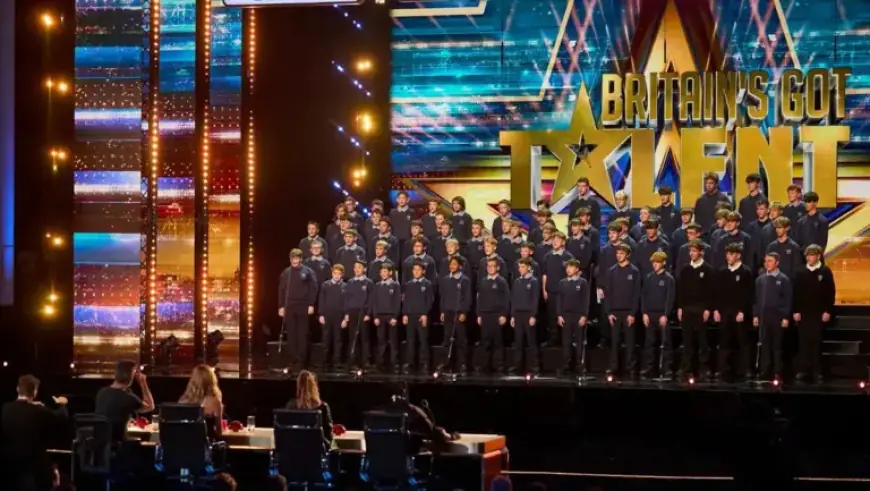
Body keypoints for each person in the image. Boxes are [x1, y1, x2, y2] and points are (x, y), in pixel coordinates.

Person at [2, 375, 68, 491]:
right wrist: (61, 403)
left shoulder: (4, 409)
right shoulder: (40, 411)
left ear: (18, 389)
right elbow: (62, 417)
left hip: (8, 470)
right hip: (34, 472)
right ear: (35, 392)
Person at [793, 245, 836, 383]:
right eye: (807, 255)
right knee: (803, 342)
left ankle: (818, 372)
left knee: (816, 342)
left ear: (818, 256)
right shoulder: (800, 272)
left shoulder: (825, 271)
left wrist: (828, 311)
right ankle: (803, 370)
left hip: (818, 313)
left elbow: (830, 293)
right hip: (804, 314)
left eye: (812, 255)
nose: (809, 258)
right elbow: (795, 293)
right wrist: (796, 310)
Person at [713, 243, 754, 382]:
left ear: (738, 255)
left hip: (739, 313)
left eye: (731, 254)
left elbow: (748, 294)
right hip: (724, 312)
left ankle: (745, 369)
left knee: (743, 341)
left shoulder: (745, 272)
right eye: (727, 254)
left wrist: (742, 311)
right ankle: (723, 369)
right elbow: (718, 292)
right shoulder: (722, 271)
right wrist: (717, 309)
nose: (728, 257)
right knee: (724, 340)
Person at [677, 240, 714, 381]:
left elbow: (710, 291)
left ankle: (704, 367)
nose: (691, 253)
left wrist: (708, 309)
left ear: (701, 252)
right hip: (687, 308)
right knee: (687, 340)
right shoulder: (685, 270)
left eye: (694, 251)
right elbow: (681, 290)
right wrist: (680, 307)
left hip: (701, 309)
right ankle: (687, 367)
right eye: (690, 251)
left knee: (702, 339)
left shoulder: (708, 270)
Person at [753, 252, 793, 381]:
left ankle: (777, 372)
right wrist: (755, 315)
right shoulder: (760, 280)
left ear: (777, 263)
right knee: (764, 345)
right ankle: (765, 370)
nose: (767, 263)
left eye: (770, 261)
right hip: (764, 318)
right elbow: (756, 299)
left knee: (777, 346)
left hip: (778, 317)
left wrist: (786, 317)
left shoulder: (784, 279)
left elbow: (788, 299)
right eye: (766, 261)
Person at [604, 243, 641, 379]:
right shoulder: (611, 271)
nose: (619, 255)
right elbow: (608, 293)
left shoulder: (634, 272)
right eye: (617, 253)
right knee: (615, 341)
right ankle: (614, 367)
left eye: (621, 253)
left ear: (628, 255)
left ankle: (631, 367)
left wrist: (632, 313)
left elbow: (636, 294)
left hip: (628, 313)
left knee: (630, 342)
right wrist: (609, 312)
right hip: (615, 312)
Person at [95, 360, 155, 442]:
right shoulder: (128, 398)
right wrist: (143, 382)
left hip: (100, 442)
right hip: (119, 443)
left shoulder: (102, 392)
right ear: (131, 376)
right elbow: (150, 407)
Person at [278, 249, 318, 370]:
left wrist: (311, 304)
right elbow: (281, 290)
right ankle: (293, 359)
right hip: (290, 306)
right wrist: (281, 306)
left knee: (302, 334)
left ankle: (301, 360)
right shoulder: (286, 273)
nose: (294, 260)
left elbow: (314, 288)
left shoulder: (308, 272)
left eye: (296, 258)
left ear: (301, 259)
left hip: (303, 306)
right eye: (292, 258)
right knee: (291, 334)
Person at [640, 252, 675, 379]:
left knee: (666, 343)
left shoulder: (668, 279)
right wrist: (644, 313)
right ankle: (649, 367)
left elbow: (670, 298)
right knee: (650, 343)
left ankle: (667, 369)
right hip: (650, 315)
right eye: (653, 262)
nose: (655, 264)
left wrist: (666, 314)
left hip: (662, 315)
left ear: (663, 263)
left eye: (657, 262)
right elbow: (643, 296)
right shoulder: (649, 278)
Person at [477, 257, 510, 374]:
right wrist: (479, 314)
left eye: (492, 266)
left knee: (497, 342)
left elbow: (506, 299)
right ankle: (485, 365)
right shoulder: (483, 281)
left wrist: (503, 314)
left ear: (498, 268)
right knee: (485, 342)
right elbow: (479, 299)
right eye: (488, 266)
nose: (490, 268)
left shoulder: (502, 281)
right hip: (485, 315)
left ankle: (499, 366)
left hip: (497, 315)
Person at [439, 256, 472, 374]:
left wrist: (464, 312)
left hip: (458, 313)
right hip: (448, 312)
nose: (452, 266)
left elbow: (467, 297)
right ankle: (447, 363)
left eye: (454, 264)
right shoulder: (446, 279)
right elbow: (443, 296)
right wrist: (442, 311)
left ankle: (462, 363)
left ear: (460, 266)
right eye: (450, 264)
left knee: (461, 339)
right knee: (447, 338)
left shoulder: (465, 280)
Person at [557, 258, 590, 375]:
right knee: (566, 341)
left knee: (580, 341)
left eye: (571, 267)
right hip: (566, 315)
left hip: (578, 316)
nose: (568, 269)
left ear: (577, 269)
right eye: (567, 267)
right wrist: (559, 315)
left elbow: (586, 300)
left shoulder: (583, 283)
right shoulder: (562, 283)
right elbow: (559, 300)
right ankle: (566, 364)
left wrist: (584, 316)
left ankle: (580, 365)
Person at [286, 371, 333, 450]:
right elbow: (329, 436)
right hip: (317, 453)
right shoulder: (323, 407)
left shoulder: (290, 405)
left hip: (294, 452)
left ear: (298, 385)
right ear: (314, 386)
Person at [542, 231, 575, 346]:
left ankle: (565, 340)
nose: (555, 242)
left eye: (558, 240)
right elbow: (544, 274)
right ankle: (552, 339)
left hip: (563, 292)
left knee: (563, 316)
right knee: (551, 316)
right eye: (553, 240)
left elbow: (571, 275)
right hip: (551, 291)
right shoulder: (548, 256)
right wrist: (544, 290)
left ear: (563, 242)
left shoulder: (568, 257)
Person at [402, 261, 435, 374]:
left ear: (423, 271)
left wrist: (425, 314)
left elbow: (430, 300)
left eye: (418, 269)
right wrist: (405, 314)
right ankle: (410, 363)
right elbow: (405, 300)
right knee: (410, 340)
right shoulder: (409, 284)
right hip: (411, 315)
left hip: (422, 316)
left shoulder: (428, 284)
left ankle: (424, 363)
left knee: (423, 340)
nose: (416, 272)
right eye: (414, 269)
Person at [511, 258, 540, 374]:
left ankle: (535, 365)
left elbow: (535, 299)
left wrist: (533, 315)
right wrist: (512, 315)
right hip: (518, 314)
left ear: (528, 267)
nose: (520, 269)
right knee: (518, 342)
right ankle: (518, 365)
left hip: (528, 314)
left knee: (531, 341)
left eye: (522, 267)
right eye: (519, 267)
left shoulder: (534, 281)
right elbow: (513, 299)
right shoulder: (517, 281)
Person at [179, 364, 223, 440]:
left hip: (185, 445)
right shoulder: (214, 401)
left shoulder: (182, 401)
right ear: (211, 380)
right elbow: (219, 430)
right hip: (206, 446)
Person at [371, 263, 402, 373]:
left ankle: (394, 364)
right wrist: (375, 316)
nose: (383, 274)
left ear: (390, 272)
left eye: (385, 271)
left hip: (391, 316)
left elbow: (397, 302)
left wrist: (395, 316)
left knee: (393, 341)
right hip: (380, 316)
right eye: (381, 272)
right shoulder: (377, 285)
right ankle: (381, 364)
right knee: (381, 341)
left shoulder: (395, 285)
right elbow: (374, 302)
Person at [345, 260, 374, 370]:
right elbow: (346, 299)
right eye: (355, 267)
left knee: (364, 337)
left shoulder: (368, 282)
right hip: (352, 312)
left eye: (359, 267)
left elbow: (371, 300)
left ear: (364, 269)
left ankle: (365, 361)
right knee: (353, 337)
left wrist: (368, 313)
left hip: (363, 312)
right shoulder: (350, 282)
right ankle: (354, 361)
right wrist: (346, 313)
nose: (357, 269)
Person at [318, 264, 346, 370]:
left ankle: (337, 361)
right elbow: (321, 300)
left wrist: (345, 318)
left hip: (339, 315)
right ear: (332, 273)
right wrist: (321, 314)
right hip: (327, 315)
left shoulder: (345, 286)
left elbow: (346, 303)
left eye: (339, 274)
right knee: (326, 338)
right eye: (335, 273)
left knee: (338, 339)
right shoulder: (326, 285)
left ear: (342, 275)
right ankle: (325, 361)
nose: (337, 276)